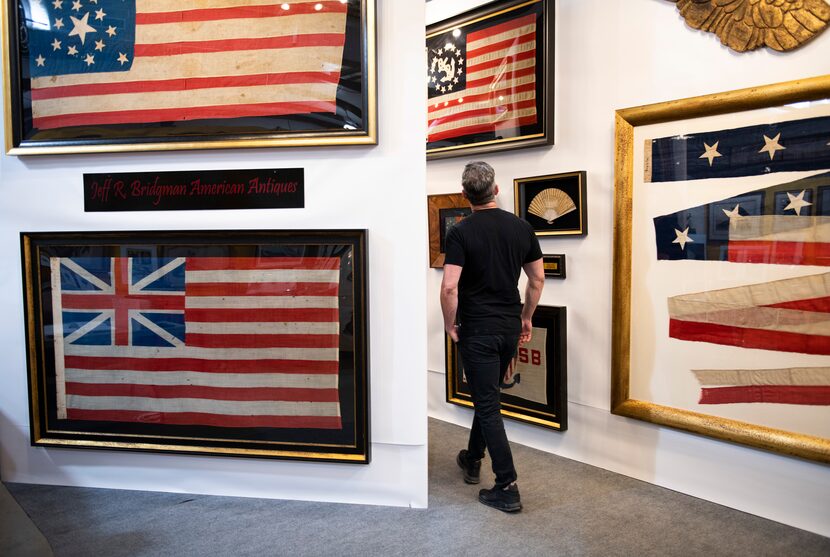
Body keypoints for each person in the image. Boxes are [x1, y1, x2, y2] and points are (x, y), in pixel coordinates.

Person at [440, 161, 544, 513]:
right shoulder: (521, 228)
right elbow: (537, 280)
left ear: (466, 195)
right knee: (488, 395)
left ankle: (507, 485)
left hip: (479, 329)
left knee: (487, 403)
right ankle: (472, 458)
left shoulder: (460, 232)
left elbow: (450, 286)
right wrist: (526, 318)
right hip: (508, 327)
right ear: (496, 190)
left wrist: (449, 324)